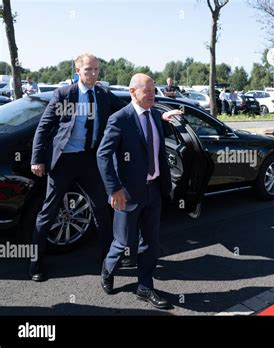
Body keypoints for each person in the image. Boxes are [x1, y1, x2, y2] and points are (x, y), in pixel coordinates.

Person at [29, 53, 125, 282]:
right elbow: (44, 128)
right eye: (88, 70)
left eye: (96, 70)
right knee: (48, 212)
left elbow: (127, 112)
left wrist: (158, 115)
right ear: (77, 70)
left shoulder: (102, 94)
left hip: (90, 160)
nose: (93, 74)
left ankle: (107, 260)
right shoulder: (64, 94)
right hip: (63, 161)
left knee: (101, 209)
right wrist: (37, 159)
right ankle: (36, 262)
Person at [97, 73, 182, 309]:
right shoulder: (119, 119)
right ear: (133, 92)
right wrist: (114, 190)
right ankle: (108, 268)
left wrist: (165, 116)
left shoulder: (155, 114)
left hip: (153, 191)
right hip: (127, 193)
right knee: (123, 241)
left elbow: (155, 144)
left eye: (154, 91)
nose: (153, 95)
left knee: (151, 243)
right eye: (148, 92)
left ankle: (145, 286)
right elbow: (102, 156)